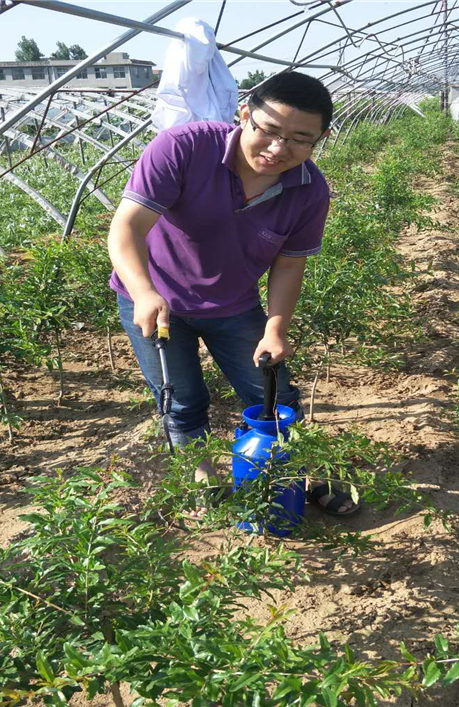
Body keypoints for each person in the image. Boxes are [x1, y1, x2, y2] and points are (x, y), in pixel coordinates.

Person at [108, 71, 357, 517]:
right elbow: (126, 227)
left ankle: (290, 476)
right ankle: (204, 484)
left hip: (233, 303)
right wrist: (143, 291)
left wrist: (276, 328)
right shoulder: (184, 147)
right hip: (154, 301)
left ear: (318, 140)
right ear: (245, 115)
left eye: (301, 139)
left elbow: (289, 263)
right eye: (269, 130)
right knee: (181, 401)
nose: (278, 149)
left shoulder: (309, 190)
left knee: (275, 396)